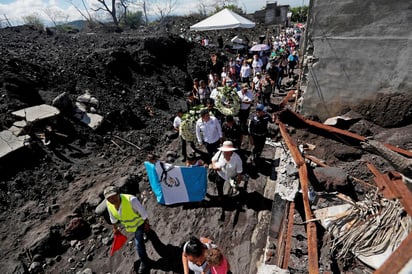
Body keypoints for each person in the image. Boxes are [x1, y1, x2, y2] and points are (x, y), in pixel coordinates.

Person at [104, 185, 152, 274]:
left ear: (118, 193)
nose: (112, 200)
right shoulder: (109, 204)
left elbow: (143, 213)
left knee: (139, 245)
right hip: (130, 226)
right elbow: (112, 217)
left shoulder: (131, 200)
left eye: (114, 196)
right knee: (142, 238)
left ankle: (145, 262)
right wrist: (115, 228)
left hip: (139, 224)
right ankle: (147, 233)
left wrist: (146, 223)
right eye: (109, 198)